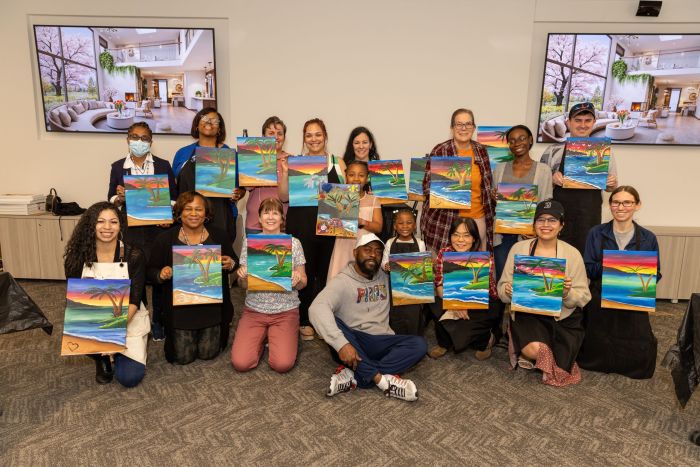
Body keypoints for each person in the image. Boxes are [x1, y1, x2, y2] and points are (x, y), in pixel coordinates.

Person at [309, 233, 427, 401]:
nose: (373, 254)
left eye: (378, 252)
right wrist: (341, 344)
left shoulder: (386, 276)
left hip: (382, 340)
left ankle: (356, 376)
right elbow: (316, 308)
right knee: (333, 321)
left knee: (419, 345)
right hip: (354, 342)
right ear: (355, 252)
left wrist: (426, 270)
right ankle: (382, 381)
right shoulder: (341, 281)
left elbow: (415, 283)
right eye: (368, 250)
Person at [497, 200, 591, 387]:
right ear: (534, 224)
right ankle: (526, 350)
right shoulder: (519, 249)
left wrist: (567, 293)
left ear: (561, 225)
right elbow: (502, 289)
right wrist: (508, 290)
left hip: (562, 317)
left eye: (552, 220)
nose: (545, 225)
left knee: (562, 362)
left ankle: (526, 351)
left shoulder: (572, 254)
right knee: (537, 350)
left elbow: (584, 296)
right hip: (528, 315)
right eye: (540, 220)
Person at [577, 186, 661, 379]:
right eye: (616, 202)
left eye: (627, 202)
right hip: (600, 294)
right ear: (610, 205)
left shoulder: (648, 238)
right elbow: (588, 268)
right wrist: (615, 263)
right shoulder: (596, 233)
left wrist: (634, 279)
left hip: (632, 297)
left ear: (637, 205)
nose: (621, 207)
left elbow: (656, 273)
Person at [64, 202, 150, 387]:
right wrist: (100, 337)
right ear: (91, 225)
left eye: (113, 222)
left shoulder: (134, 255)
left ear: (120, 226)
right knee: (76, 335)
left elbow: (134, 301)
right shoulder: (76, 258)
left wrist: (112, 334)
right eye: (100, 221)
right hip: (93, 318)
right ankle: (101, 358)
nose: (107, 227)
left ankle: (117, 353)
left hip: (128, 317)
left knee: (129, 378)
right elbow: (76, 301)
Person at [147, 191, 237, 364]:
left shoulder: (219, 235)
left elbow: (235, 261)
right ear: (179, 213)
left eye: (199, 209)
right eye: (188, 209)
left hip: (212, 307)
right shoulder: (165, 239)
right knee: (183, 358)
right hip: (180, 310)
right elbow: (150, 270)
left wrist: (230, 263)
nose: (194, 213)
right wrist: (161, 273)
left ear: (206, 213)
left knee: (208, 353)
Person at [107, 121, 177, 341]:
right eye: (135, 137)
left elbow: (174, 200)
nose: (139, 141)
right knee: (135, 275)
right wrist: (119, 198)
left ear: (151, 141)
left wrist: (168, 216)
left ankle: (158, 320)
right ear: (127, 139)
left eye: (144, 138)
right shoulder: (118, 167)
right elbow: (110, 199)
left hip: (158, 231)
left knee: (159, 275)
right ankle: (141, 316)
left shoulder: (163, 165)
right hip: (132, 231)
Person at [231, 198, 307, 373]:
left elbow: (304, 283)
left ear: (282, 218)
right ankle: (264, 338)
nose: (270, 217)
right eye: (266, 212)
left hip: (285, 311)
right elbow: (243, 285)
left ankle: (279, 335)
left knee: (282, 365)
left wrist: (298, 279)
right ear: (259, 218)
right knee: (241, 363)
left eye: (275, 213)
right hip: (254, 310)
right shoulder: (250, 243)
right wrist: (242, 276)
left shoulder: (294, 243)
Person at [285, 118, 340, 341]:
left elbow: (347, 192)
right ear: (304, 138)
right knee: (304, 273)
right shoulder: (295, 162)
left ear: (325, 136)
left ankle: (324, 318)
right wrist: (285, 171)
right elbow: (283, 196)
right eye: (309, 135)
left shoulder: (338, 162)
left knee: (327, 273)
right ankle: (305, 320)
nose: (313, 139)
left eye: (318, 134)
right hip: (301, 223)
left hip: (329, 225)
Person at [539, 102, 619, 255]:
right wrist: (551, 179)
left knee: (585, 260)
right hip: (558, 219)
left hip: (589, 218)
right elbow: (540, 185)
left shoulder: (604, 151)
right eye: (578, 120)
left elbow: (612, 187)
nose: (583, 125)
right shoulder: (552, 150)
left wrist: (611, 183)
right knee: (556, 258)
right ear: (568, 122)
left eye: (587, 120)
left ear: (594, 123)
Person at [420, 108, 496, 255]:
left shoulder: (481, 150)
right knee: (446, 266)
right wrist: (446, 192)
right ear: (452, 127)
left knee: (474, 265)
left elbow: (486, 186)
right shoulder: (441, 150)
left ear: (473, 127)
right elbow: (427, 187)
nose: (464, 128)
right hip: (447, 221)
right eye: (459, 124)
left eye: (468, 124)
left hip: (478, 219)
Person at [428, 217, 499, 359]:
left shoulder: (483, 257)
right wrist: (456, 304)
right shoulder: (444, 253)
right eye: (456, 235)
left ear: (474, 238)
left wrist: (463, 304)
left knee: (476, 318)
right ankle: (444, 343)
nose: (460, 240)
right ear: (450, 236)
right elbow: (439, 284)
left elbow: (482, 291)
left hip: (482, 299)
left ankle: (485, 341)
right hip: (451, 295)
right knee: (435, 305)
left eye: (466, 235)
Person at [492, 125, 553, 280]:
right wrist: (494, 197)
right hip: (503, 237)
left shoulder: (543, 170)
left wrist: (536, 229)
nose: (517, 143)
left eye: (522, 138)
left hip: (529, 236)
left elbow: (545, 205)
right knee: (503, 279)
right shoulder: (499, 169)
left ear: (530, 140)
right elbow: (494, 202)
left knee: (526, 281)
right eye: (512, 140)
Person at [174, 108, 240, 247]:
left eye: (215, 120)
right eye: (205, 119)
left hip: (222, 218)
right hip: (189, 217)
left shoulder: (229, 153)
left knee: (219, 257)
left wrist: (237, 194)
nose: (209, 122)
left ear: (220, 129)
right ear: (196, 125)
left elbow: (240, 188)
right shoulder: (182, 153)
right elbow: (175, 187)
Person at [327, 160, 383, 280]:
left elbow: (378, 227)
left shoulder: (373, 200)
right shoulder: (337, 196)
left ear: (367, 178)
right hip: (343, 246)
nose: (356, 179)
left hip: (364, 247)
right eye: (351, 175)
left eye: (361, 175)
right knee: (339, 278)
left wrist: (362, 221)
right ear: (346, 176)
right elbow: (328, 224)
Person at [381, 208, 428, 336]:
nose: (405, 226)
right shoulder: (390, 242)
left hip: (414, 289)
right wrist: (386, 266)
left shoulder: (420, 243)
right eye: (401, 223)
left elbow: (424, 266)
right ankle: (398, 339)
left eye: (409, 222)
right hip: (395, 288)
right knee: (396, 315)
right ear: (395, 226)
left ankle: (415, 339)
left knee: (414, 315)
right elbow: (383, 262)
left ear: (414, 225)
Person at [241, 116, 290, 235]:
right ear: (263, 136)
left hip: (282, 224)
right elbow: (247, 187)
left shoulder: (291, 160)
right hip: (255, 224)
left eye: (280, 133)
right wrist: (253, 159)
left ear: (284, 137)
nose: (276, 137)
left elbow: (286, 197)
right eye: (271, 133)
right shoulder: (253, 157)